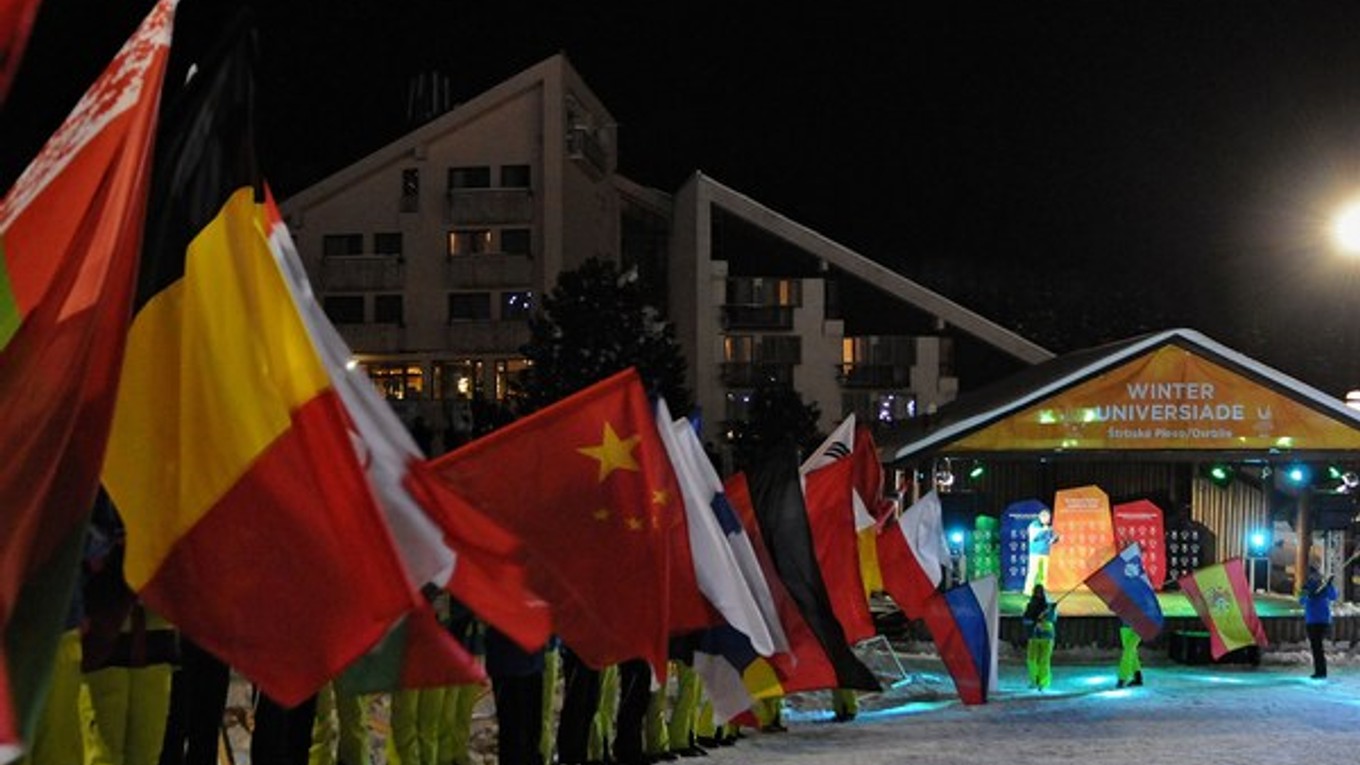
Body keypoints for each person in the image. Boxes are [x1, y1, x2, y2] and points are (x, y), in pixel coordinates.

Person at [1299, 566, 1337, 679]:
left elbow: (1333, 596)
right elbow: (1301, 601)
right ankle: (1320, 671)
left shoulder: (1323, 587)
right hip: (1317, 620)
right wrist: (1307, 594)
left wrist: (1329, 585)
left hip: (1317, 620)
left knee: (1317, 647)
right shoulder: (1309, 587)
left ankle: (1320, 672)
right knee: (1317, 647)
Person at [1023, 585, 1057, 691]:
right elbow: (1025, 620)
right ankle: (1034, 680)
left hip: (1046, 636)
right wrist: (1033, 620)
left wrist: (1049, 612)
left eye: (1040, 592)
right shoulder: (1030, 605)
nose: (1038, 594)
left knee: (1044, 661)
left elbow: (1053, 619)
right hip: (1034, 636)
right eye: (1036, 592)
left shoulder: (1049, 606)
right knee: (1031, 660)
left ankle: (1043, 682)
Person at [1024, 509, 1059, 596]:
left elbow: (1052, 538)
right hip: (1035, 552)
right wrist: (1044, 530)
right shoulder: (1034, 525)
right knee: (1033, 571)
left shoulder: (1048, 526)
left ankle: (1043, 590)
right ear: (1042, 517)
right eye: (1047, 518)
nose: (1049, 520)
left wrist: (1054, 539)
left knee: (1044, 573)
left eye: (1050, 518)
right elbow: (1034, 538)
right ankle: (1028, 591)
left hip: (1045, 552)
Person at [1115, 624, 1143, 689]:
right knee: (1131, 652)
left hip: (1138, 626)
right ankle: (1138, 678)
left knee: (1128, 651)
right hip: (1126, 627)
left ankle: (1123, 677)